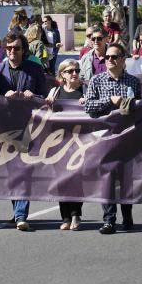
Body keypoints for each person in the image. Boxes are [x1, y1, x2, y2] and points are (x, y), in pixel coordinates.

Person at [83, 43, 142, 234]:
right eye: (107, 57)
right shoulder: (97, 80)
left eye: (114, 57)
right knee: (107, 179)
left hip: (127, 136)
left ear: (123, 60)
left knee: (126, 178)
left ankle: (127, 216)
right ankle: (109, 219)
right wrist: (109, 101)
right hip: (104, 137)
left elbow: (141, 108)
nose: (110, 60)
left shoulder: (133, 82)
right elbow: (89, 108)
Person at [0, 33, 46, 230]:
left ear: (24, 50)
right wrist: (2, 96)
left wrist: (35, 96)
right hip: (4, 128)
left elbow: (46, 97)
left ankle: (21, 214)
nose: (12, 51)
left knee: (22, 170)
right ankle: (17, 212)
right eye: (9, 48)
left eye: (16, 48)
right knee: (11, 172)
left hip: (29, 126)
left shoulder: (35, 70)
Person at [47, 58, 86, 231]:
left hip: (80, 142)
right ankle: (65, 217)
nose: (74, 74)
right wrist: (48, 104)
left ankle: (76, 214)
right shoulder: (55, 92)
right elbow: (47, 117)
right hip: (60, 142)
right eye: (70, 71)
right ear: (62, 74)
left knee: (76, 179)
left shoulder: (85, 90)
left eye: (76, 70)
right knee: (61, 180)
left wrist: (88, 102)